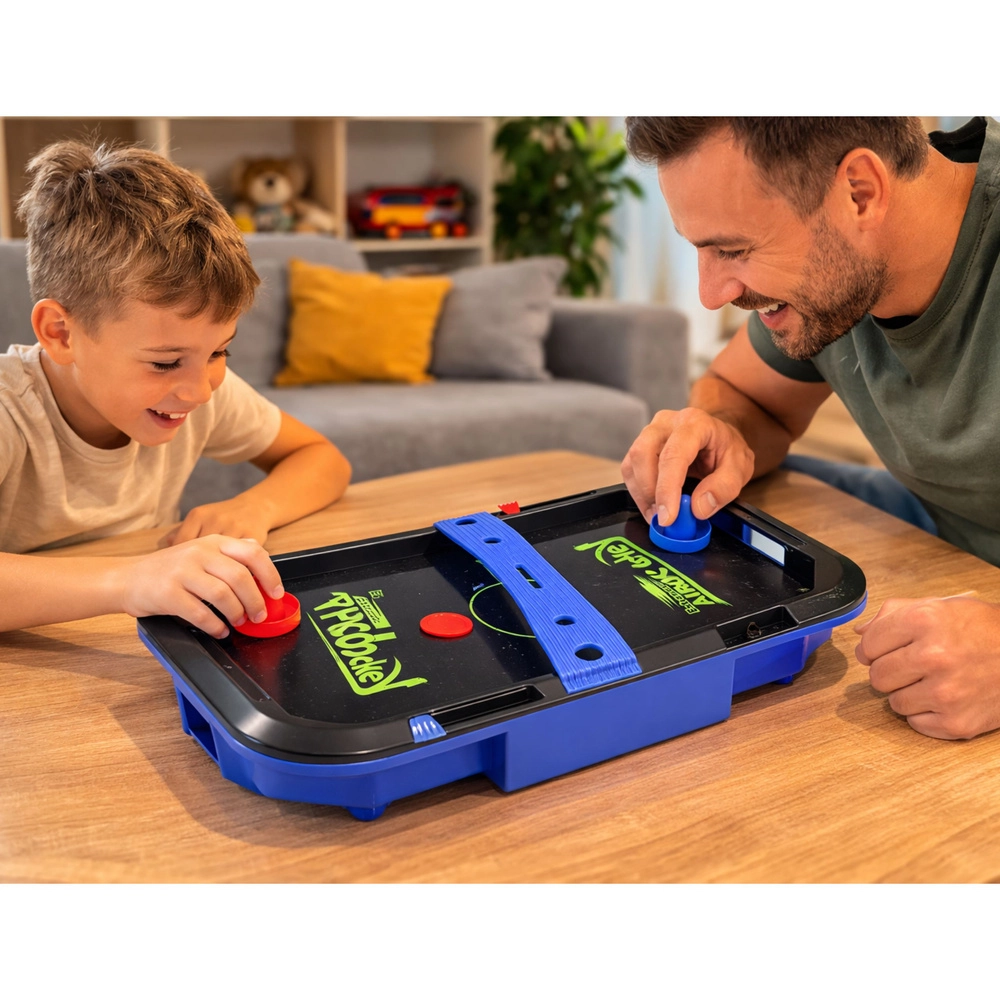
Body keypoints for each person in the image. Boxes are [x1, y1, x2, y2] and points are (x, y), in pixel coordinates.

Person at [620, 116, 1000, 741]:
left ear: (860, 192)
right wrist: (720, 428)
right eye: (700, 250)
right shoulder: (838, 272)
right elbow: (746, 394)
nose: (711, 294)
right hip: (932, 524)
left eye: (734, 250)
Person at [0, 140, 352, 638]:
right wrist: (128, 580)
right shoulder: (9, 410)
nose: (201, 391)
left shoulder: (192, 388)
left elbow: (323, 459)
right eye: (164, 362)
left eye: (219, 352)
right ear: (61, 334)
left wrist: (256, 506)